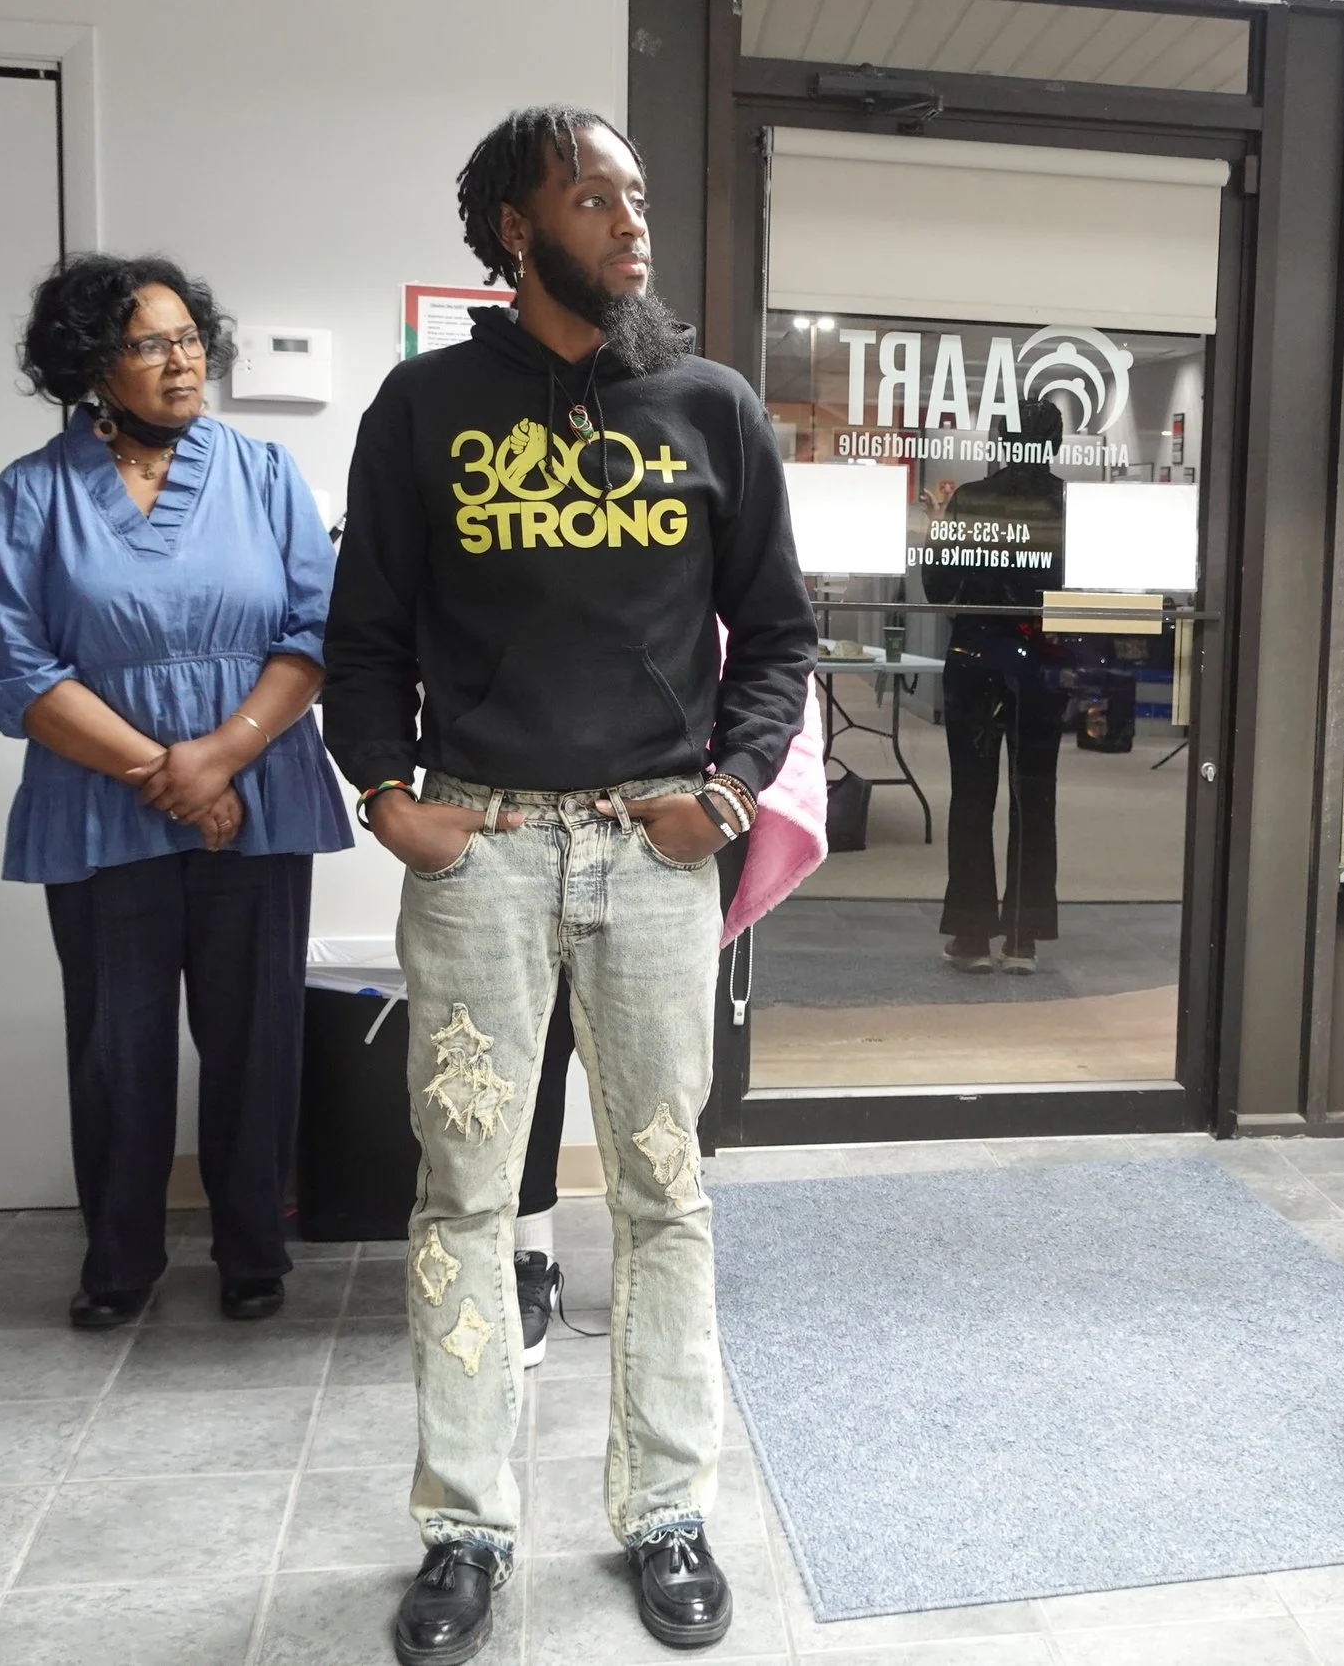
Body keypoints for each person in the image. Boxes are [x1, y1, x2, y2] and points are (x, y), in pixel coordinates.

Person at [322, 106, 816, 1664]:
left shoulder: (710, 406)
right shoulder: (424, 408)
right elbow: (363, 634)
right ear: (515, 228)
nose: (629, 219)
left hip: (652, 858)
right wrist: (389, 796)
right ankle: (467, 1525)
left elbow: (780, 637)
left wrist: (726, 794)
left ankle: (667, 1507)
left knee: (666, 1190)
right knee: (466, 1196)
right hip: (478, 854)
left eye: (636, 194)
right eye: (592, 196)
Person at [0, 254, 351, 1331]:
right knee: (116, 1047)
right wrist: (171, 775)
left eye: (190, 338)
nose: (183, 361)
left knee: (257, 1038)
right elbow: (15, 670)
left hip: (257, 792)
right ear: (93, 363)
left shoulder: (264, 473)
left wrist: (222, 756)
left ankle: (252, 1248)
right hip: (102, 805)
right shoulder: (29, 495)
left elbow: (316, 631)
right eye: (150, 344)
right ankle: (120, 1258)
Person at [922, 396, 1070, 973]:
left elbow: (938, 586)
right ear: (1054, 443)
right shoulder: (1068, 503)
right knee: (1036, 795)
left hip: (977, 655)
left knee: (972, 794)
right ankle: (1022, 940)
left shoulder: (971, 499)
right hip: (1044, 661)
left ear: (1001, 443)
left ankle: (972, 936)